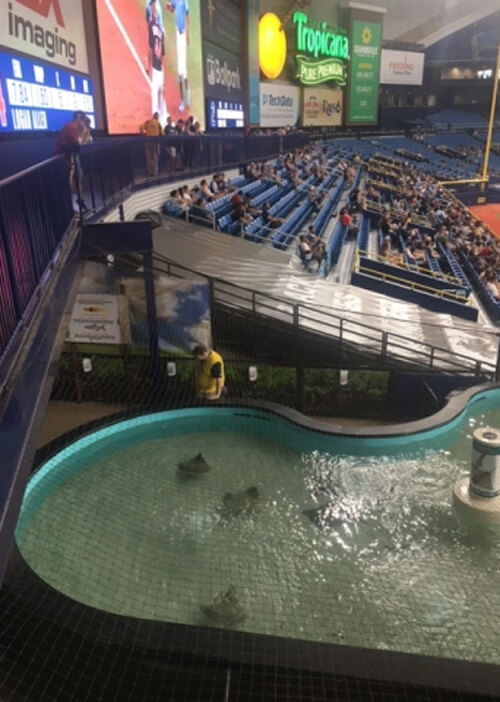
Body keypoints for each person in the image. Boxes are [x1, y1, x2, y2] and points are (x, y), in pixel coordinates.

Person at [55, 111, 88, 211]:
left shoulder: (74, 129)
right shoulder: (70, 127)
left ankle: (80, 201)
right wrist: (82, 133)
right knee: (67, 184)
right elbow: (76, 145)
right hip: (63, 162)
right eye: (83, 121)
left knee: (79, 176)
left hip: (70, 159)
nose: (84, 124)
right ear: (78, 119)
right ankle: (68, 210)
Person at [166, 1, 190, 112]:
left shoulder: (185, 1)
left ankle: (187, 94)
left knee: (183, 69)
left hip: (183, 33)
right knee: (180, 71)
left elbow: (186, 15)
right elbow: (173, 10)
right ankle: (182, 100)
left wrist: (187, 35)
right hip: (178, 33)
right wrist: (169, 8)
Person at [147, 1, 167, 125]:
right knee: (157, 93)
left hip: (157, 66)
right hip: (157, 66)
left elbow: (153, 48)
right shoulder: (157, 29)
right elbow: (153, 48)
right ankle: (158, 119)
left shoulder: (157, 28)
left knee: (157, 93)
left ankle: (158, 119)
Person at [140, 111, 162, 177]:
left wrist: (143, 134)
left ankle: (150, 172)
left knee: (149, 158)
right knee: (155, 157)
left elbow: (140, 127)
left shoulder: (148, 122)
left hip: (148, 141)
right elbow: (162, 133)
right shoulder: (158, 123)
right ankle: (155, 173)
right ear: (157, 117)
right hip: (155, 142)